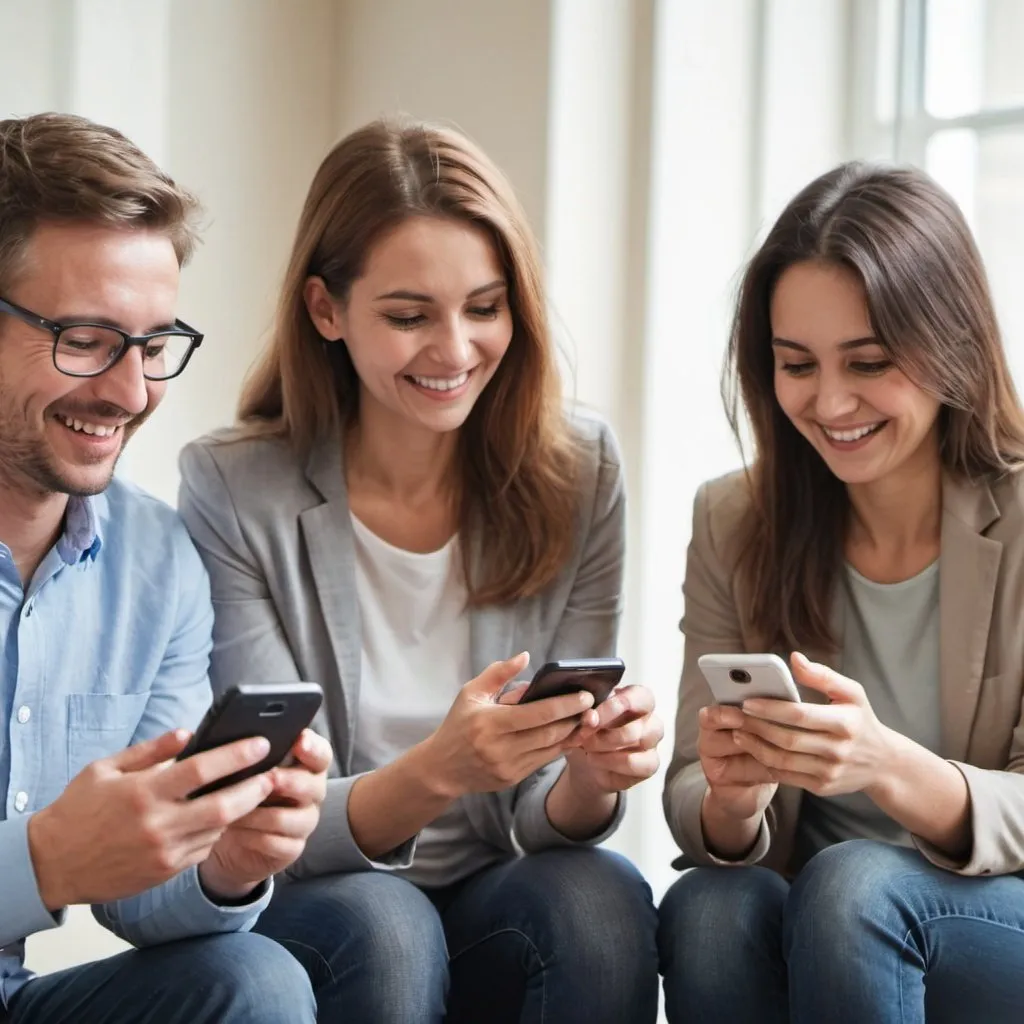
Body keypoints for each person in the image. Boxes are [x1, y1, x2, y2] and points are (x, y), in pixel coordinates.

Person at [178, 116, 662, 1024]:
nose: (455, 350)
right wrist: (438, 770)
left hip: (493, 888)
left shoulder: (579, 468)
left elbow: (537, 812)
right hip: (320, 896)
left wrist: (592, 778)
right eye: (409, 316)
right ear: (327, 311)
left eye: (485, 307)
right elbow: (260, 807)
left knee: (597, 895)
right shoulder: (234, 487)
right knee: (387, 919)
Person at [658, 160, 1024, 1024]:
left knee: (854, 884)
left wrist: (887, 766)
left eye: (868, 362)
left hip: (991, 913)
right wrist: (731, 801)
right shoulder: (734, 518)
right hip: (823, 912)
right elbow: (686, 789)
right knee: (710, 910)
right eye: (797, 364)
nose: (829, 401)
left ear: (949, 343)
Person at [0, 113, 331, 1024]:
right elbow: (64, 866)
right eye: (84, 337)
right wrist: (46, 862)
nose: (130, 391)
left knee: (255, 982)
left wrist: (226, 859)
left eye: (152, 345)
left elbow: (141, 898)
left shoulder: (156, 566)